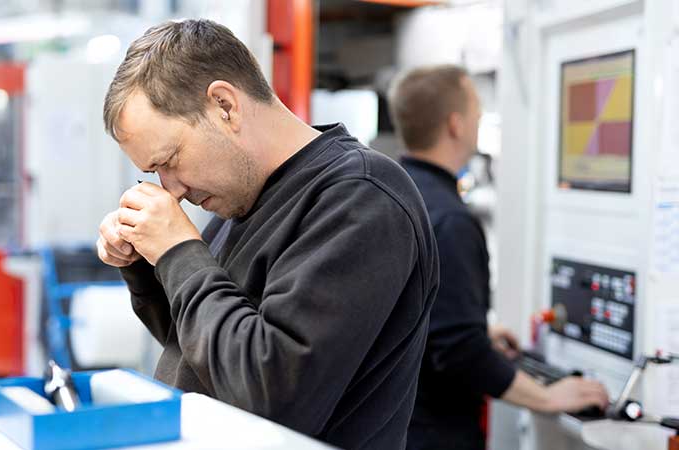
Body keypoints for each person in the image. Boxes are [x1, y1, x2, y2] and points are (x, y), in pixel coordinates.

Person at [95, 19, 440, 449]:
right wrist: (148, 262)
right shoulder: (244, 198)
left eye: (171, 159)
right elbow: (204, 350)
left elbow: (272, 395)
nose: (172, 189)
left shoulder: (361, 198)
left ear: (224, 105)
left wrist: (180, 251)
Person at [388, 65, 610, 450]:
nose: (479, 120)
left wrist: (470, 324)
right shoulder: (450, 220)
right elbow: (460, 352)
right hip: (435, 434)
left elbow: (399, 306)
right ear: (455, 125)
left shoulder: (392, 194)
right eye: (476, 109)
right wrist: (548, 397)